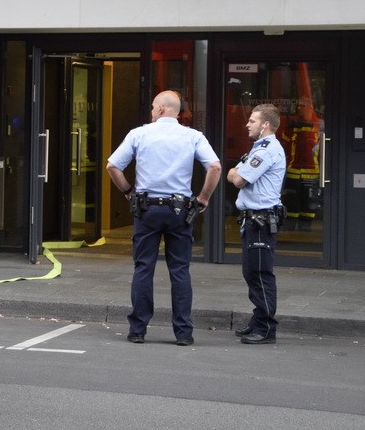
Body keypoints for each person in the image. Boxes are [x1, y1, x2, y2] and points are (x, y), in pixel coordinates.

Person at [106, 90, 221, 346]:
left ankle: (138, 329)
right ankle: (183, 332)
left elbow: (113, 166)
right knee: (180, 270)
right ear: (177, 111)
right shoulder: (193, 136)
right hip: (179, 210)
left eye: (152, 108)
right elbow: (214, 166)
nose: (151, 112)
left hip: (147, 209)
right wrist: (203, 197)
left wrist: (127, 191)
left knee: (143, 267)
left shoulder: (139, 134)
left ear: (159, 109)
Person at [227, 103, 287, 345]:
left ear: (265, 125)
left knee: (260, 274)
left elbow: (239, 179)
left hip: (261, 220)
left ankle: (265, 328)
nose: (247, 124)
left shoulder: (266, 150)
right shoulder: (260, 148)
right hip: (254, 219)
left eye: (252, 120)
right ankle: (258, 320)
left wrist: (232, 171)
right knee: (252, 272)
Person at [280, 97, 321, 229]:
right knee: (291, 203)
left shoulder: (318, 125)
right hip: (293, 171)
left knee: (308, 206)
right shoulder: (292, 125)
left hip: (312, 173)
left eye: (302, 106)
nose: (299, 109)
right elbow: (284, 144)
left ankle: (305, 230)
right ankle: (290, 231)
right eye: (298, 106)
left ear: (310, 107)